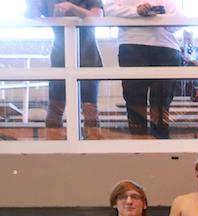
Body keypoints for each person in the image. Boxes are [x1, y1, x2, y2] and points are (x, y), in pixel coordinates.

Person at [25, 0, 104, 137]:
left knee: (89, 109)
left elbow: (97, 16)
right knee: (55, 109)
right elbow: (32, 16)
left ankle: (93, 143)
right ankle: (54, 144)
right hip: (60, 58)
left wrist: (72, 7)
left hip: (88, 57)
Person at [105, 0, 182, 139]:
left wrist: (159, 13)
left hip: (166, 46)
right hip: (132, 44)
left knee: (161, 103)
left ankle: (161, 142)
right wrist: (136, 11)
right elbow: (109, 10)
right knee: (134, 100)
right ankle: (139, 144)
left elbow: (176, 24)